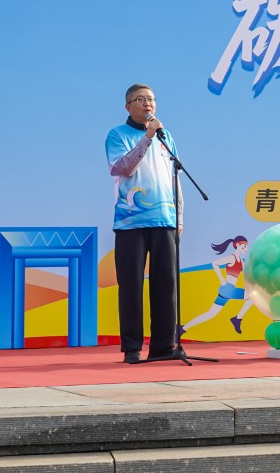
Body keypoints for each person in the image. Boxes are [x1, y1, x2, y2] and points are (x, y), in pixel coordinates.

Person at [105, 83, 182, 364]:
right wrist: (147, 137)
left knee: (166, 286)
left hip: (165, 220)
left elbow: (174, 178)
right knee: (131, 286)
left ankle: (163, 346)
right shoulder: (118, 135)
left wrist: (179, 216)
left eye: (151, 98)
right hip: (131, 222)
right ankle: (132, 348)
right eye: (140, 99)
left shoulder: (166, 136)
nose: (147, 103)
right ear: (128, 107)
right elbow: (123, 168)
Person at [182, 235, 253, 336]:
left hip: (227, 290)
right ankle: (237, 319)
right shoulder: (231, 258)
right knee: (252, 297)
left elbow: (247, 273)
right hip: (228, 289)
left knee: (210, 313)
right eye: (244, 246)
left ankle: (182, 328)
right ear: (237, 245)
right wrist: (222, 280)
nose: (246, 248)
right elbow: (215, 263)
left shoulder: (240, 261)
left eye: (247, 246)